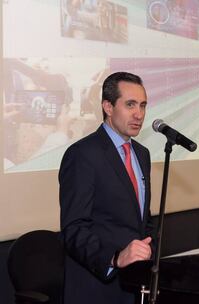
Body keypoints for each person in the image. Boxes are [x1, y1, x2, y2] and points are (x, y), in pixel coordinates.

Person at [59, 71, 155, 304]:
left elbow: (142, 218)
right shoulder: (82, 154)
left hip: (135, 285)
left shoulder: (142, 154)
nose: (139, 114)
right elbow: (74, 228)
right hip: (97, 287)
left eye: (143, 105)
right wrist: (114, 258)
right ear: (108, 107)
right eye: (130, 104)